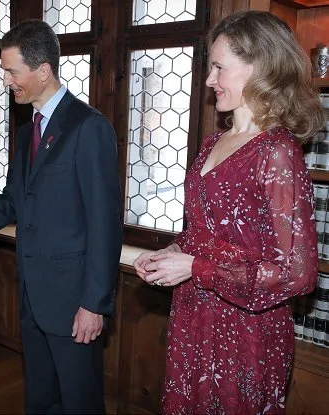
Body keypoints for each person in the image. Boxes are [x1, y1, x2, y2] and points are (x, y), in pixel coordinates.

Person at [133, 11, 323, 415]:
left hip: (244, 333)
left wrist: (196, 268)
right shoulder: (212, 143)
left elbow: (298, 273)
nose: (208, 80)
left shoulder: (277, 152)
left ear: (260, 67)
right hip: (195, 315)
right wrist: (172, 253)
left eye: (219, 67)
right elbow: (207, 234)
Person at [0, 19, 122, 414]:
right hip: (34, 297)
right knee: (40, 399)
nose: (5, 80)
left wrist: (94, 304)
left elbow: (105, 224)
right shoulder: (27, 130)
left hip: (73, 303)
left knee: (80, 402)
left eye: (11, 71)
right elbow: (9, 204)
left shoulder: (89, 128)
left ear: (43, 70)